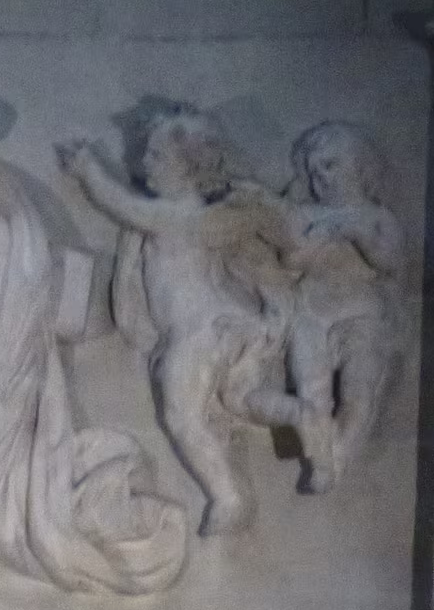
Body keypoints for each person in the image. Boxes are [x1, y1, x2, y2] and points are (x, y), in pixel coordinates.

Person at [60, 109, 294, 537]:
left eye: (157, 156)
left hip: (197, 332)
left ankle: (228, 496)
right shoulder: (185, 217)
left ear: (189, 168)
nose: (144, 163)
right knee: (238, 402)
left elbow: (121, 205)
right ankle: (302, 416)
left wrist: (88, 169)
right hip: (209, 330)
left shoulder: (179, 216)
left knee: (181, 416)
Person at [269, 121, 402, 493]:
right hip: (311, 314)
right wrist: (318, 239)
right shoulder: (306, 215)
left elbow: (390, 261)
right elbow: (289, 259)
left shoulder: (376, 217)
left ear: (359, 165)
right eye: (314, 172)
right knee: (311, 393)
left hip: (362, 316)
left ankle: (337, 454)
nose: (321, 178)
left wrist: (357, 233)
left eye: (330, 165)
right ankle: (321, 460)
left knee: (359, 393)